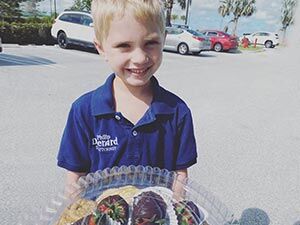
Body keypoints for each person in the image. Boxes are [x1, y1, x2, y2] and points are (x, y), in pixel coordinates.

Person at [57, 0, 198, 192]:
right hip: (102, 216)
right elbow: (75, 177)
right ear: (101, 48)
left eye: (150, 43)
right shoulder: (84, 111)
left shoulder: (177, 111)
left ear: (163, 40)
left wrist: (181, 213)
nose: (140, 58)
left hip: (158, 217)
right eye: (124, 45)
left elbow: (180, 175)